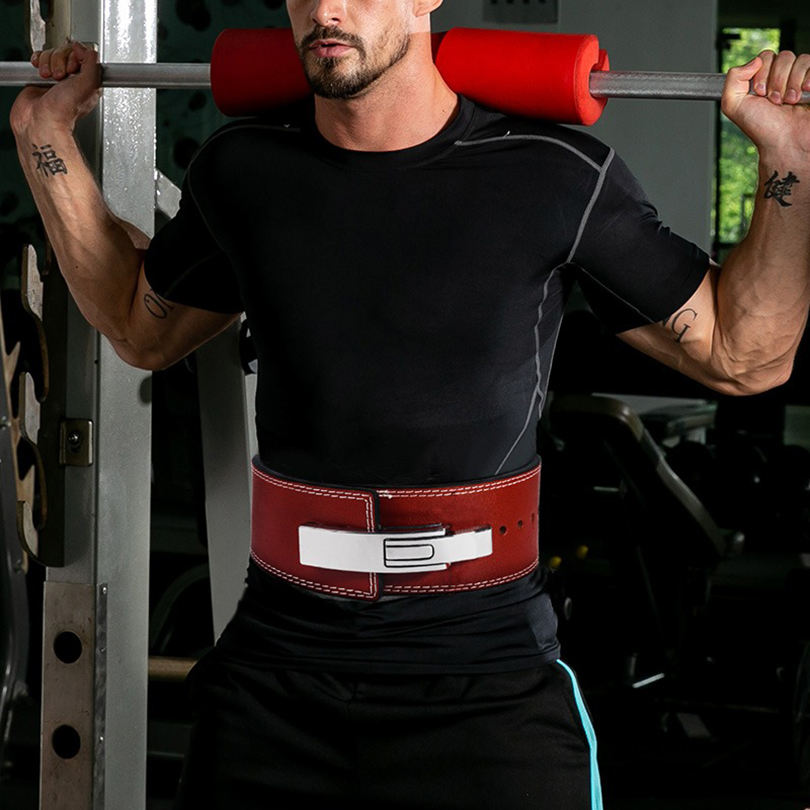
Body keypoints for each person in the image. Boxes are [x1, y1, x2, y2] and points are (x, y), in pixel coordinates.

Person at [9, 1, 810, 808]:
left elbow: (745, 356)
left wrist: (789, 159)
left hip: (485, 671)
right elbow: (139, 325)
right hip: (277, 670)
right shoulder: (245, 171)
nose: (326, 9)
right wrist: (43, 138)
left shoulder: (551, 174)